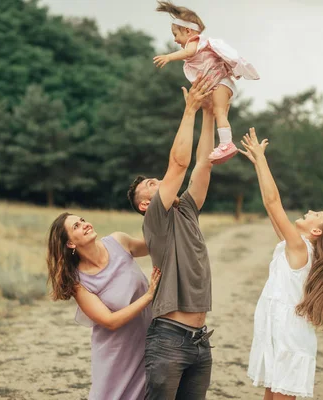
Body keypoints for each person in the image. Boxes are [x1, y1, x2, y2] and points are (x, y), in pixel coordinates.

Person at [238, 128, 323, 399]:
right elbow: (270, 207)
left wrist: (262, 160)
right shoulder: (294, 247)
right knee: (269, 394)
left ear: (316, 232)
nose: (310, 211)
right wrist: (258, 167)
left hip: (289, 338)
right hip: (278, 333)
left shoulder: (300, 249)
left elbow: (274, 203)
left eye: (316, 214)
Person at [127, 73, 215, 399]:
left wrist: (208, 113)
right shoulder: (155, 220)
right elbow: (179, 164)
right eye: (151, 184)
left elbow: (203, 165)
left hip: (199, 340)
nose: (158, 181)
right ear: (145, 204)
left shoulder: (187, 209)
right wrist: (189, 110)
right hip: (169, 338)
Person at [46, 212, 161, 400]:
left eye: (82, 220)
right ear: (70, 244)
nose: (84, 224)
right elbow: (110, 321)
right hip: (116, 354)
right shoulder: (78, 282)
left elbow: (154, 247)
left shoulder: (118, 241)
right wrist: (149, 296)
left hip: (150, 341)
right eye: (76, 226)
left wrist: (160, 211)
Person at [153, 1, 260, 165]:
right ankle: (225, 143)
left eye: (176, 35)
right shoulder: (198, 45)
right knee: (217, 112)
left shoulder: (194, 42)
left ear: (188, 31)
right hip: (221, 84)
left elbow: (188, 52)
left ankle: (226, 144)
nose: (175, 40)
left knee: (219, 112)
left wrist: (169, 57)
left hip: (222, 83)